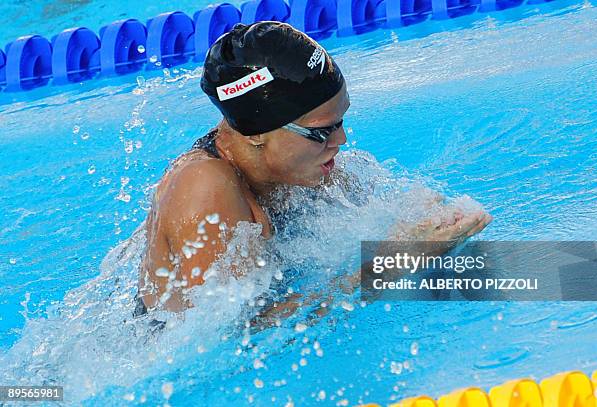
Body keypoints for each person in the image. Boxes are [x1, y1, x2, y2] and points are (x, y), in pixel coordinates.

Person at [135, 21, 492, 316]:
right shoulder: (204, 189)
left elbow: (376, 211)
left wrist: (422, 222)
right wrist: (390, 266)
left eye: (341, 120)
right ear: (258, 133)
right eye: (324, 130)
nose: (343, 139)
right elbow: (237, 337)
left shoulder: (296, 162)